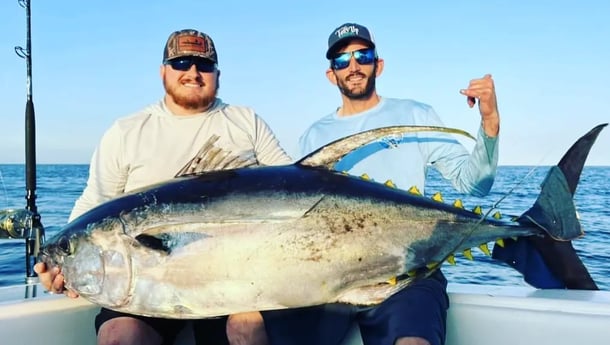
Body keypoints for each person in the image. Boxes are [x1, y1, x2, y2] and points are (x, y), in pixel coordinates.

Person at [34, 28, 291, 345]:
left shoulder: (244, 121)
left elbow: (292, 184)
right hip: (146, 283)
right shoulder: (127, 131)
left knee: (247, 327)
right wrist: (58, 263)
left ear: (217, 74)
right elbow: (94, 203)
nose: (193, 73)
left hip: (236, 276)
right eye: (181, 63)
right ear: (163, 72)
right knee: (119, 336)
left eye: (204, 65)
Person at [264, 23, 500, 345]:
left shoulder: (415, 114)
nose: (354, 66)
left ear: (379, 64)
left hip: (406, 270)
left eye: (363, 55)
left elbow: (474, 185)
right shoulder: (313, 136)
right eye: (342, 60)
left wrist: (489, 122)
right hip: (329, 277)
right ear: (331, 74)